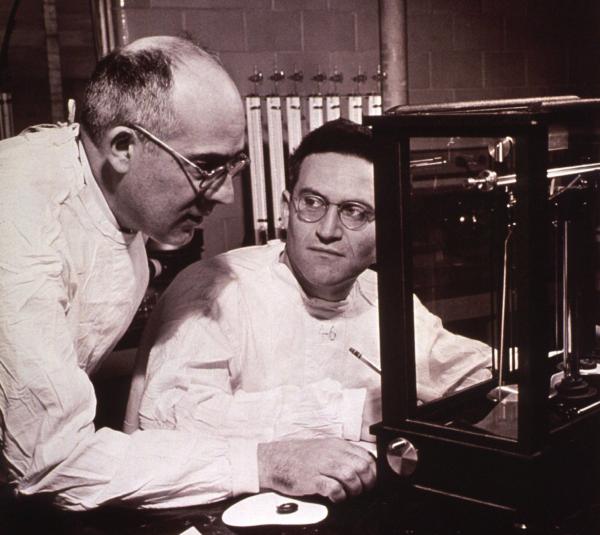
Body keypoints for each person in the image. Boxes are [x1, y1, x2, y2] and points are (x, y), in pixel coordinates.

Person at [132, 119, 492, 503]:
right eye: (312, 203)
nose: (327, 229)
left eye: (355, 211)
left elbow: (466, 369)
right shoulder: (214, 288)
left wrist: (530, 380)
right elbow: (169, 417)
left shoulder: (380, 295)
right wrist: (349, 412)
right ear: (287, 209)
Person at [0, 36, 253, 510]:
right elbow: (50, 461)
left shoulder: (111, 198)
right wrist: (259, 463)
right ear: (122, 147)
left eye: (233, 165)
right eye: (206, 167)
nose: (225, 197)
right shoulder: (18, 222)